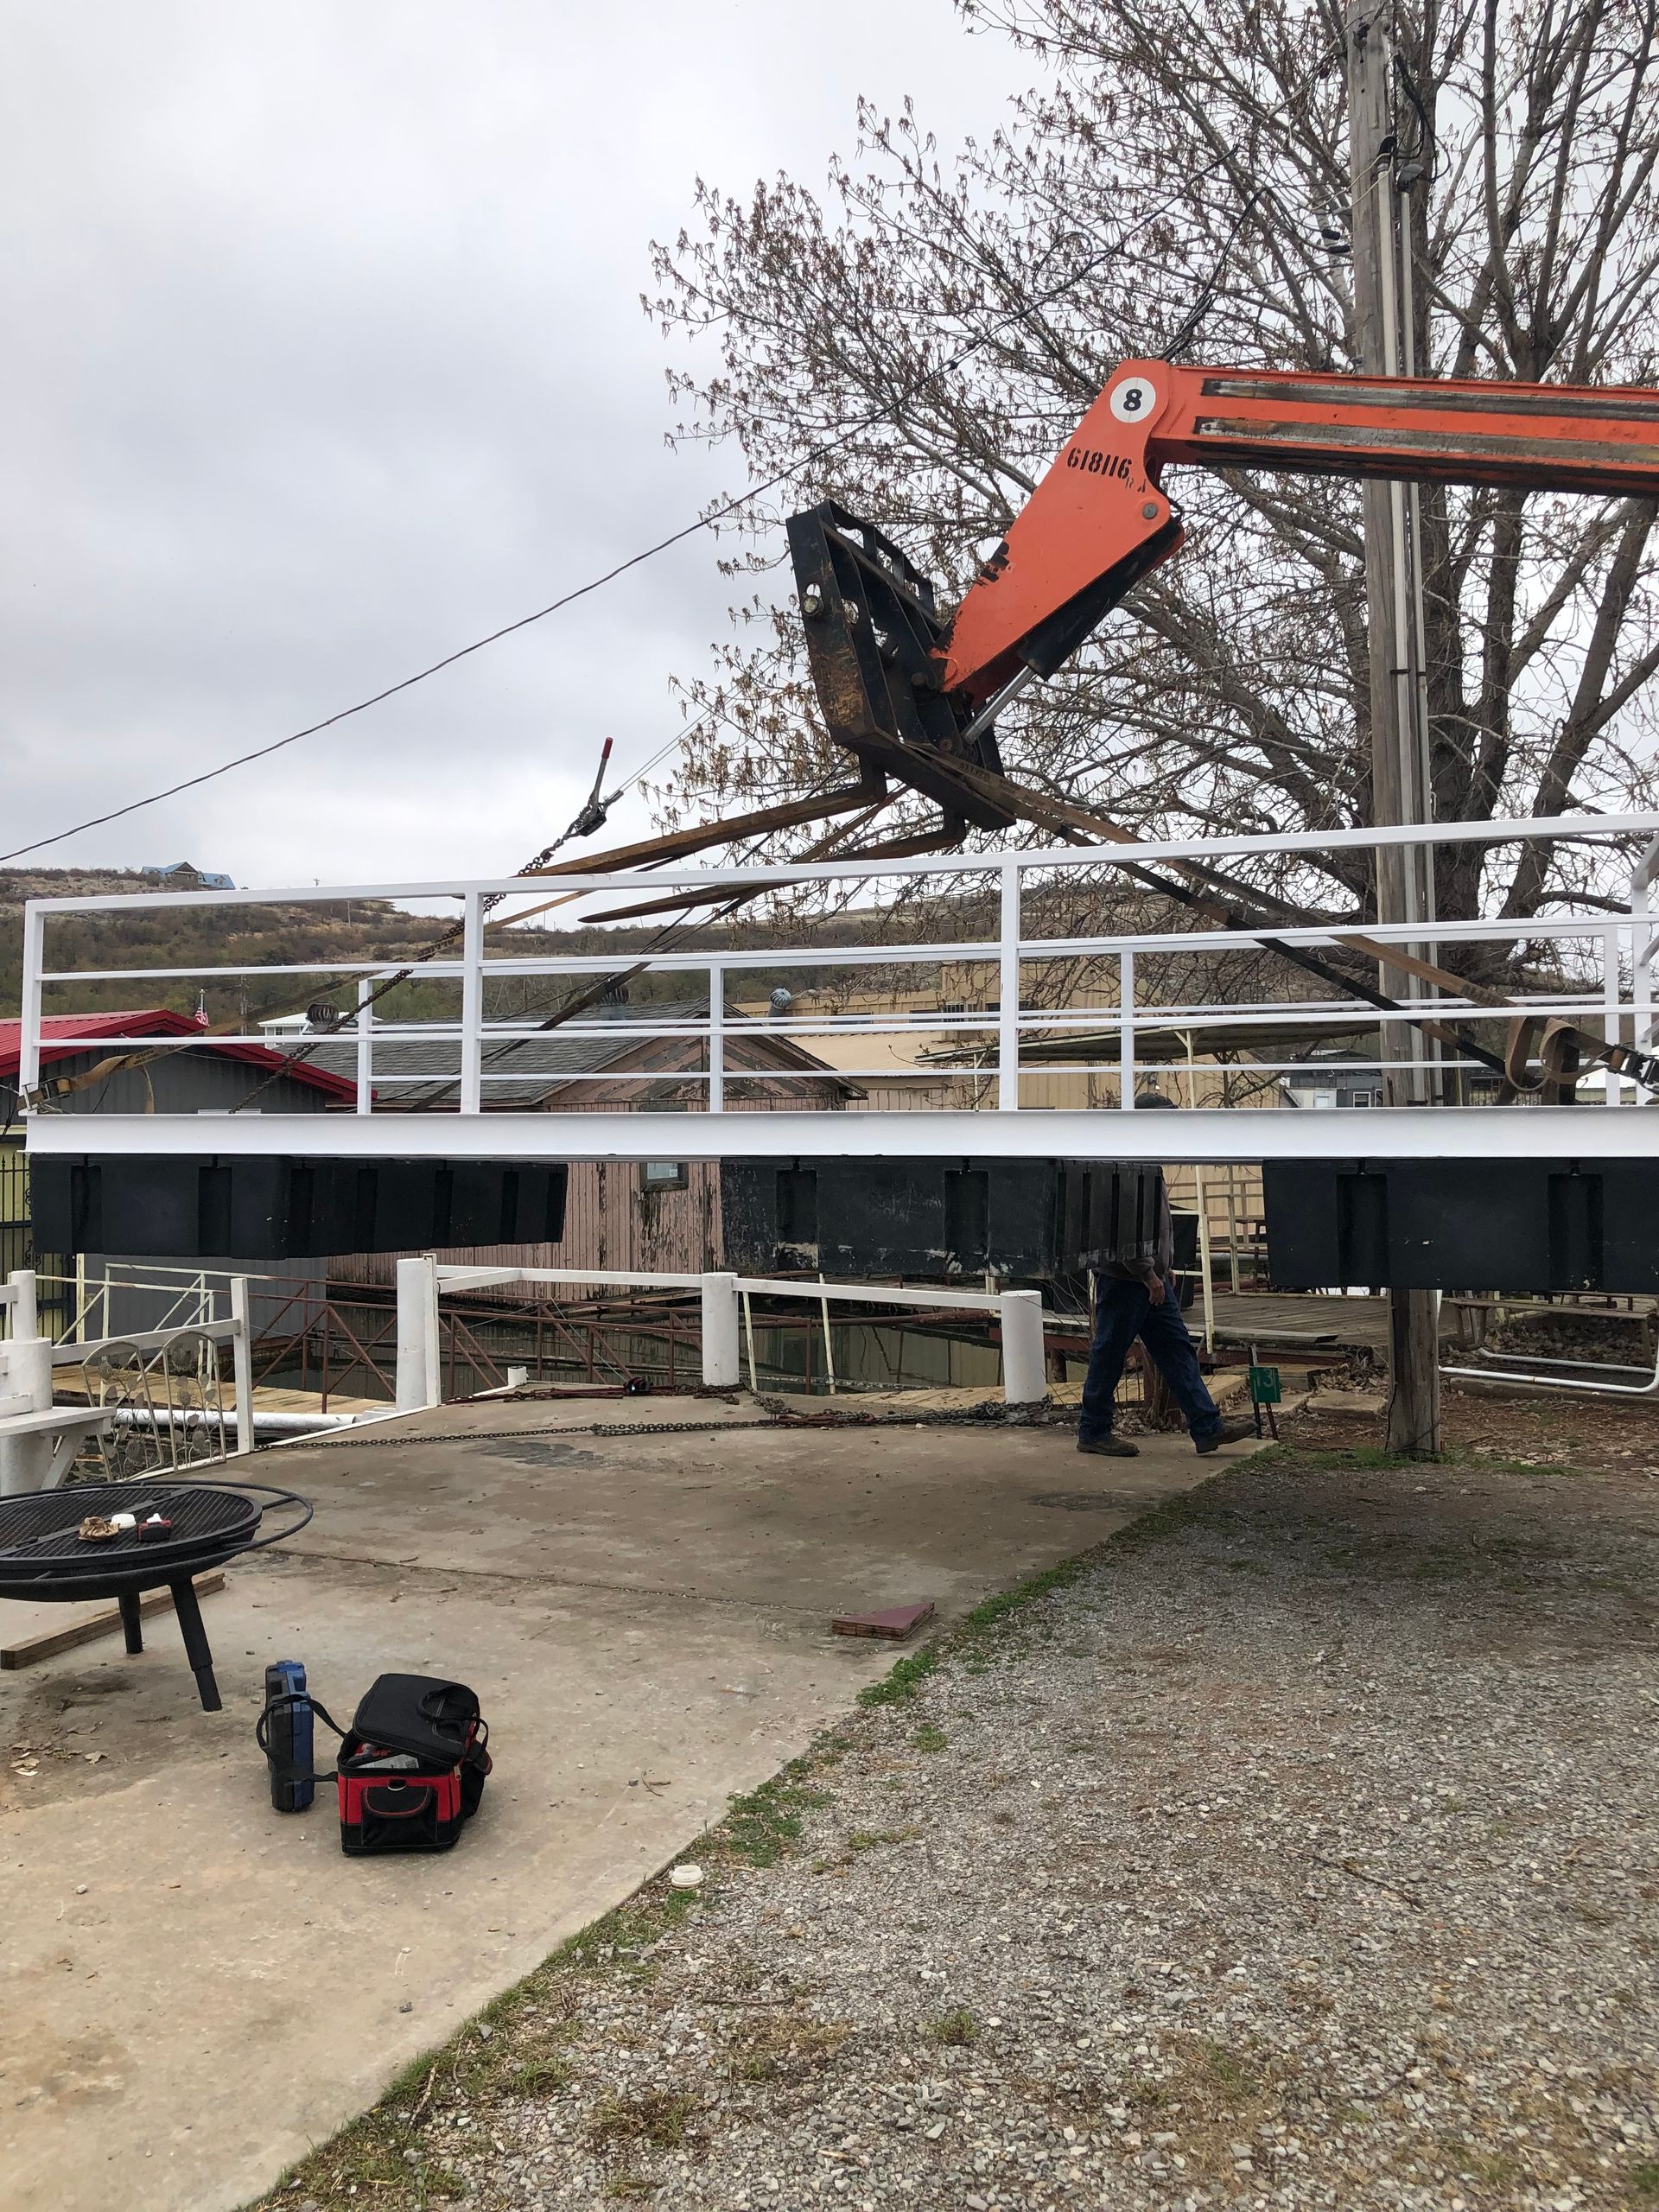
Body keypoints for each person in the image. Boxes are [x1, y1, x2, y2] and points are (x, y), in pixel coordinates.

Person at [1077, 1095, 1253, 1459]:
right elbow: (1122, 1231)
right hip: (1127, 1281)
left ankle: (1207, 1427)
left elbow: (1152, 1223)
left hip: (1147, 1277)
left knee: (1176, 1352)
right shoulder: (1126, 1165)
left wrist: (1162, 1266)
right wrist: (1148, 1274)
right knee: (1110, 1353)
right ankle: (1094, 1430)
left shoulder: (1146, 1162)